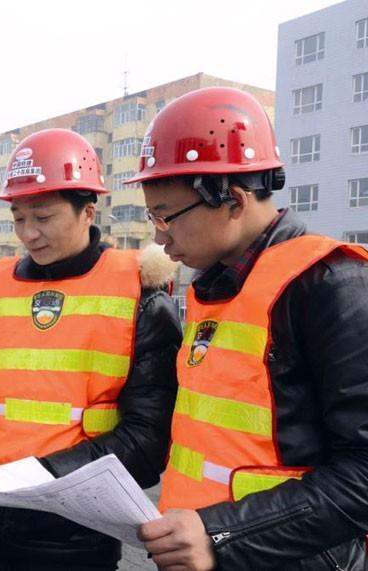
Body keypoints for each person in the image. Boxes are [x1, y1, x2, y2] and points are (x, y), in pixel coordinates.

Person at [0, 128, 182, 570]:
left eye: (43, 217)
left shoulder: (139, 294)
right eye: (18, 218)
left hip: (71, 534)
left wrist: (45, 478)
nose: (29, 233)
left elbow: (149, 435)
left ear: (87, 210)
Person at [130, 87, 368, 570]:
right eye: (152, 216)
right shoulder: (215, 288)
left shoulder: (330, 285)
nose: (159, 235)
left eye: (166, 215)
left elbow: (361, 474)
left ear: (234, 201)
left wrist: (222, 534)